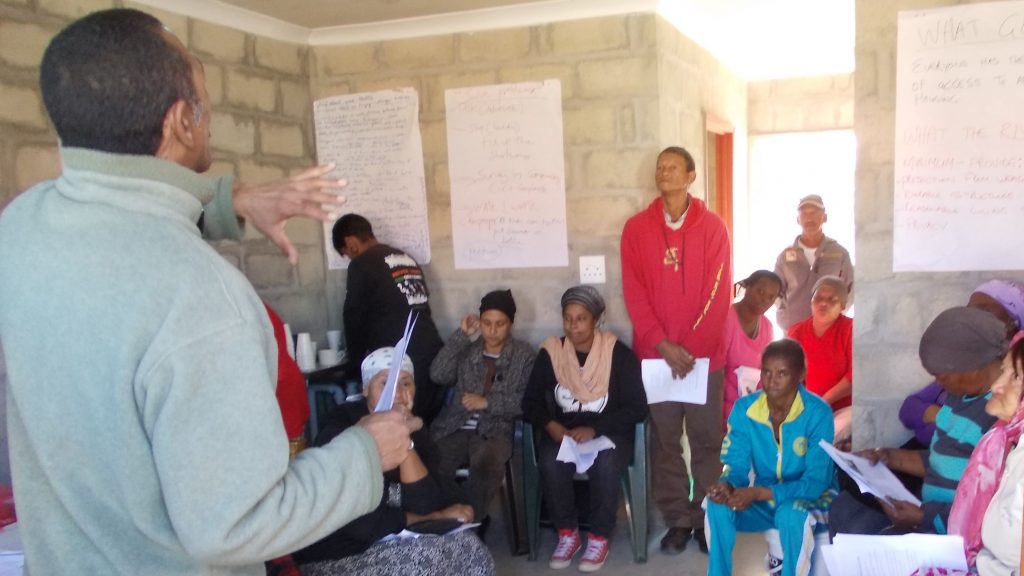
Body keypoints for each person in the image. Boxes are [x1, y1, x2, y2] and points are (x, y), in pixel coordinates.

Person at [0, 10, 417, 574]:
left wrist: (229, 202)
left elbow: (117, 223)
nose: (211, 113)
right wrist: (367, 452)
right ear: (180, 123)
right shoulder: (204, 298)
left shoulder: (20, 228)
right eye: (204, 95)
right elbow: (237, 524)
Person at [293, 348, 495, 576]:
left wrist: (404, 434)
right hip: (340, 552)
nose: (397, 393)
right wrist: (434, 518)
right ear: (365, 389)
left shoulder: (414, 427)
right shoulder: (341, 431)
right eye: (385, 383)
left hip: (394, 537)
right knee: (424, 560)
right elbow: (364, 524)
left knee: (470, 548)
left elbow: (423, 500)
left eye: (406, 383)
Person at [620, 146, 732, 555]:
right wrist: (663, 345)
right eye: (659, 167)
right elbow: (634, 292)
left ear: (691, 175)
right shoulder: (636, 229)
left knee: (706, 442)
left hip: (704, 359)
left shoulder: (714, 228)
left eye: (673, 167)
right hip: (656, 359)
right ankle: (678, 520)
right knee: (665, 445)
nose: (664, 172)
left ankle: (706, 518)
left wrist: (690, 350)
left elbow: (719, 293)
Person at [829, 306, 1006, 537]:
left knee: (865, 534)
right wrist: (887, 457)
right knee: (843, 510)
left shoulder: (1000, 415)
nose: (939, 385)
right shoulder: (959, 396)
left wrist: (925, 517)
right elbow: (942, 459)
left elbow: (992, 509)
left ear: (974, 366)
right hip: (928, 509)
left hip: (954, 528)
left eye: (943, 376)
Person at [522, 286, 648, 572]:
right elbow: (529, 402)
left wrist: (596, 429)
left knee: (605, 465)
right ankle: (567, 534)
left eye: (581, 318)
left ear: (596, 320)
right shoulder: (551, 353)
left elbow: (637, 407)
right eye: (568, 318)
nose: (573, 325)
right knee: (551, 462)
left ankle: (598, 536)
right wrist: (550, 424)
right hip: (564, 433)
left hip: (610, 434)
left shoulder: (618, 355)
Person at [706, 339, 835, 576]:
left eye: (782, 373)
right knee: (717, 506)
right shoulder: (745, 409)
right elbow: (735, 465)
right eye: (766, 371)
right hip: (766, 498)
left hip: (812, 501)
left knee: (790, 513)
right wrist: (728, 484)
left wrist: (758, 493)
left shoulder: (818, 413)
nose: (771, 380)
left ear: (800, 374)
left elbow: (816, 483)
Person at [429, 289, 535, 526]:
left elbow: (528, 400)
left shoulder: (523, 355)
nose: (493, 330)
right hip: (455, 427)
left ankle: (469, 524)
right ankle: (441, 521)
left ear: (510, 324)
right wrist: (461, 336)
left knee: (486, 466)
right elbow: (437, 375)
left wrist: (488, 402)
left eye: (500, 323)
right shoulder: (468, 350)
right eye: (487, 323)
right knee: (435, 462)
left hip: (496, 430)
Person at [333, 213, 445, 423]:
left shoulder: (361, 264)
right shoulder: (405, 258)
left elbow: (353, 319)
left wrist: (355, 367)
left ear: (351, 242)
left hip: (400, 361)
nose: (350, 257)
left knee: (399, 426)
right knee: (421, 426)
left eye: (346, 253)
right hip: (431, 353)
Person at [900, 279, 1024, 447]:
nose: (971, 316)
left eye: (983, 311)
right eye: (969, 309)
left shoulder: (999, 387)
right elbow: (908, 409)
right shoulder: (955, 369)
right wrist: (946, 418)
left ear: (1012, 323)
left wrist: (945, 422)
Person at [947, 337, 1024, 575]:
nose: (995, 386)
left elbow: (1010, 551)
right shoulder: (1005, 441)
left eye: (1015, 377)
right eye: (1003, 372)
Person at [773, 194, 853, 332]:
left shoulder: (840, 254)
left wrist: (837, 315)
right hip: (794, 332)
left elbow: (851, 289)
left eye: (814, 213)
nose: (809, 218)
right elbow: (775, 292)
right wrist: (785, 315)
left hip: (829, 332)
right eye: (804, 213)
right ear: (798, 219)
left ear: (825, 217)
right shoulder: (784, 257)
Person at [722, 270, 782, 424]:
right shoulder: (726, 318)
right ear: (747, 287)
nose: (765, 300)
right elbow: (715, 372)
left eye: (771, 297)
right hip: (721, 406)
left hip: (752, 405)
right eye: (760, 291)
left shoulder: (767, 327)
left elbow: (766, 370)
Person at [787, 276, 853, 412]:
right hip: (805, 408)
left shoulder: (850, 329)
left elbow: (856, 375)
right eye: (818, 298)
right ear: (811, 302)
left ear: (842, 305)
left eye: (831, 299)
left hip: (843, 411)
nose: (823, 304)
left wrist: (823, 401)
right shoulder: (796, 332)